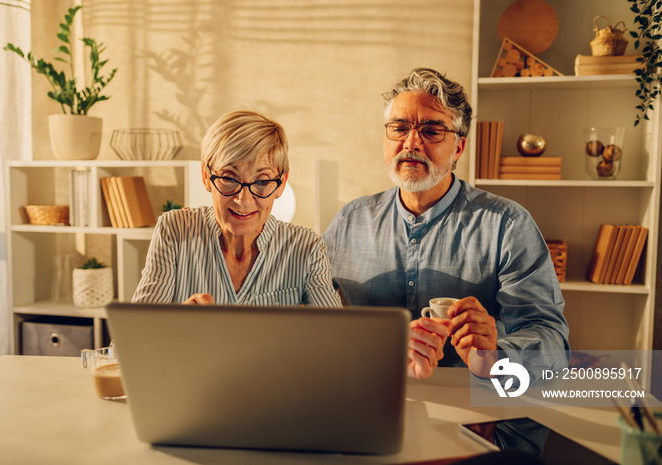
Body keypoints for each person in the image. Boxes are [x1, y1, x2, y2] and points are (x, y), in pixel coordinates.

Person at [323, 68, 569, 379]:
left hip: (475, 409)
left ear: (458, 149)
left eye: (432, 130)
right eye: (399, 128)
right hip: (365, 394)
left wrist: (497, 358)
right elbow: (310, 314)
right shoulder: (349, 222)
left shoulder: (508, 225)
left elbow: (551, 339)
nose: (411, 142)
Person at [133, 110, 341, 308]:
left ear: (281, 184)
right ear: (206, 177)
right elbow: (132, 338)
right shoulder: (174, 230)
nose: (243, 200)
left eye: (261, 181)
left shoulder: (307, 248)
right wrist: (178, 322)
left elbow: (338, 338)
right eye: (229, 178)